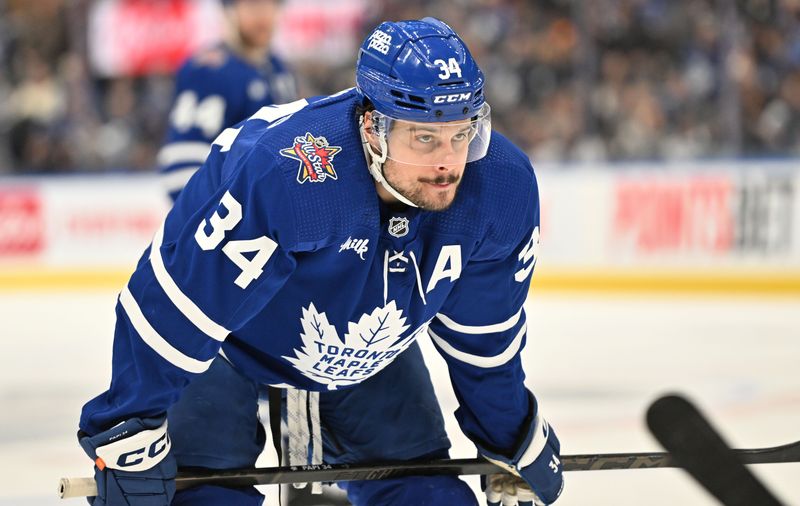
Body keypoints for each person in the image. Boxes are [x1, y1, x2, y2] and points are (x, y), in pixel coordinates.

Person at [77, 17, 565, 506]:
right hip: (231, 345)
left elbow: (483, 341)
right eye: (424, 139)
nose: (448, 163)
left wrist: (511, 435)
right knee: (205, 497)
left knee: (428, 495)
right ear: (374, 127)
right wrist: (127, 434)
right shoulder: (290, 175)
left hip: (367, 348)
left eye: (462, 135)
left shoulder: (500, 186)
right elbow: (177, 304)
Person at [157, 0, 295, 200]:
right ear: (229, 10)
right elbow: (180, 170)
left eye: (272, 4)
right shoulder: (210, 71)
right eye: (253, 5)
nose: (264, 14)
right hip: (235, 217)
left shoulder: (278, 70)